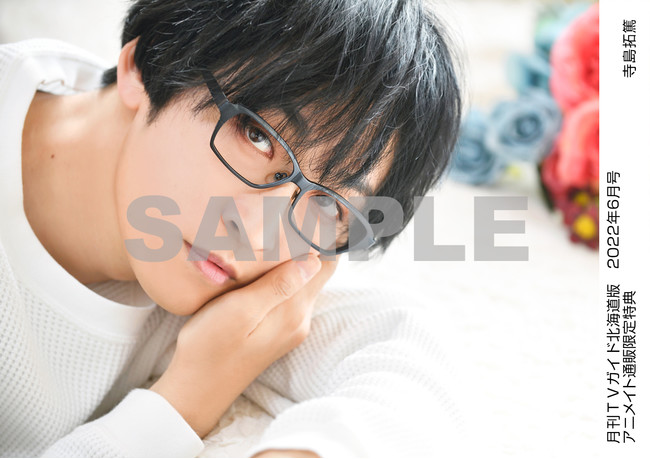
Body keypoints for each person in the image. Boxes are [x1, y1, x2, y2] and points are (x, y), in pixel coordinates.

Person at [0, 0, 463, 456]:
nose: (255, 236)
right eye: (257, 135)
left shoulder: (227, 272)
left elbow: (404, 346)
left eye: (328, 204)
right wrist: (186, 402)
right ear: (143, 64)